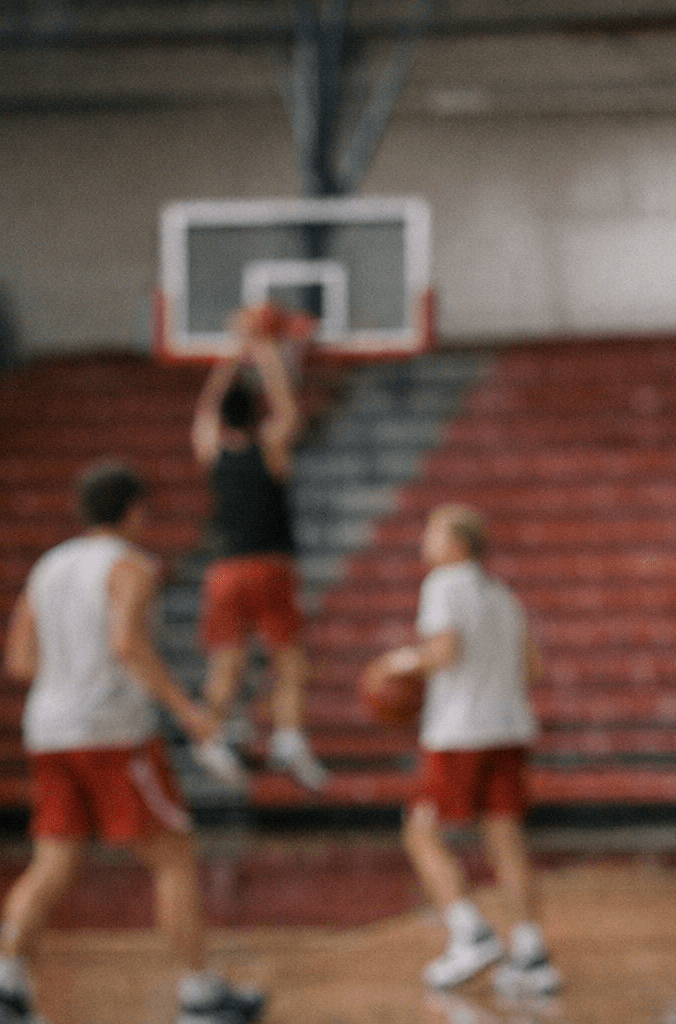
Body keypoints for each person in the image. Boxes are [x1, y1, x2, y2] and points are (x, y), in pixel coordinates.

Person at [0, 463, 264, 1024]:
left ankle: (0, 986)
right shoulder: (130, 566)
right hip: (112, 733)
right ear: (134, 510)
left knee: (52, 861)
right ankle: (201, 994)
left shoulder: (48, 566)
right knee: (174, 858)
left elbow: (20, 660)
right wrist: (189, 713)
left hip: (48, 730)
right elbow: (128, 643)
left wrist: (69, 680)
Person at [364, 504, 560, 995]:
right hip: (509, 728)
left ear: (457, 544)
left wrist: (394, 664)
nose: (424, 541)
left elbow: (444, 651)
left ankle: (469, 932)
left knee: (421, 831)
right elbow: (533, 668)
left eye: (432, 532)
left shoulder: (443, 583)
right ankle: (532, 953)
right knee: (505, 838)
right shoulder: (503, 594)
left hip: (459, 733)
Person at [190, 304, 327, 791]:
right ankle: (289, 738)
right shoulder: (269, 449)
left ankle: (210, 739)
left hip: (223, 572)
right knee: (288, 659)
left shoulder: (212, 452)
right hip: (270, 565)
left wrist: (232, 354)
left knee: (226, 661)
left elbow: (206, 411)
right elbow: (287, 410)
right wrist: (266, 353)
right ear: (255, 415)